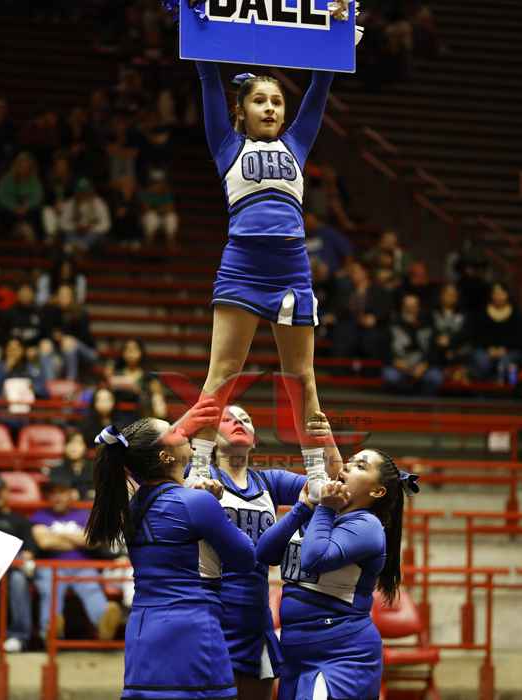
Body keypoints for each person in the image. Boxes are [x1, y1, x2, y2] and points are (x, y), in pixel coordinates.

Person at [190, 60, 335, 499]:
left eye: (277, 101)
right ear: (241, 111)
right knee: (223, 373)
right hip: (243, 268)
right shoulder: (226, 145)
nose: (270, 108)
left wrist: (332, 50)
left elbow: (320, 88)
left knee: (302, 377)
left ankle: (316, 475)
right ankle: (199, 467)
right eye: (259, 101)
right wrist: (201, 46)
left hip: (291, 271)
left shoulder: (296, 143)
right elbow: (208, 79)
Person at [85, 413, 256, 700]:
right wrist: (218, 506)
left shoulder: (132, 506)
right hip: (191, 633)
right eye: (174, 432)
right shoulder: (197, 502)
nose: (183, 432)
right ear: (166, 457)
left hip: (142, 633)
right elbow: (245, 558)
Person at [192, 405, 342, 700]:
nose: (238, 422)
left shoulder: (269, 482)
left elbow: (331, 488)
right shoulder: (197, 476)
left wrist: (326, 440)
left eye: (245, 419)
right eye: (227, 419)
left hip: (254, 618)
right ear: (210, 436)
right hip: (209, 610)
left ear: (254, 439)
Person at [256, 449, 419, 700]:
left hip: (342, 656)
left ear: (377, 491)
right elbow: (264, 553)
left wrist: (324, 508)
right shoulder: (319, 514)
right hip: (296, 654)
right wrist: (302, 508)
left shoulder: (367, 526)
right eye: (349, 462)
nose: (346, 467)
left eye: (360, 466)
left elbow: (315, 559)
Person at [31, 472, 122, 642]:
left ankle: (103, 624)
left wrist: (58, 534)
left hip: (82, 566)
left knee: (91, 588)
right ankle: (50, 630)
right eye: (53, 493)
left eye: (62, 492)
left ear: (71, 494)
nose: (57, 497)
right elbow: (44, 542)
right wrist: (78, 539)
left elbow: (92, 541)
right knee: (50, 591)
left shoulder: (84, 514)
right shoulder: (40, 515)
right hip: (51, 566)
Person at [0, 474, 35, 652]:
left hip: (11, 569)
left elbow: (28, 553)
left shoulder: (20, 520)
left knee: (19, 579)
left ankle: (18, 636)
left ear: (6, 493)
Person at [382, 293, 443, 395]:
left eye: (413, 306)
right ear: (402, 307)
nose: (410, 309)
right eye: (407, 306)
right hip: (398, 366)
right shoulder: (392, 325)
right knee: (390, 376)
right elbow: (383, 349)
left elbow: (434, 350)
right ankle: (400, 402)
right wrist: (395, 361)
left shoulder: (427, 325)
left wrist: (424, 365)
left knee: (435, 377)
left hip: (422, 366)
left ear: (418, 308)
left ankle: (424, 402)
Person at [468, 281, 522, 383]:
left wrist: (504, 349)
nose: (498, 297)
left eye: (502, 294)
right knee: (482, 363)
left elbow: (518, 338)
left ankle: (505, 388)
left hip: (510, 350)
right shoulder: (481, 313)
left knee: (505, 363)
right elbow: (476, 337)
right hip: (485, 350)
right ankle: (482, 389)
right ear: (491, 295)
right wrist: (489, 349)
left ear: (507, 295)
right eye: (496, 294)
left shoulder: (516, 314)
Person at [50, 431, 94, 501]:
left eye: (78, 443)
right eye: (70, 443)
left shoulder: (95, 468)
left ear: (85, 447)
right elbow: (60, 488)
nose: (74, 447)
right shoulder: (56, 470)